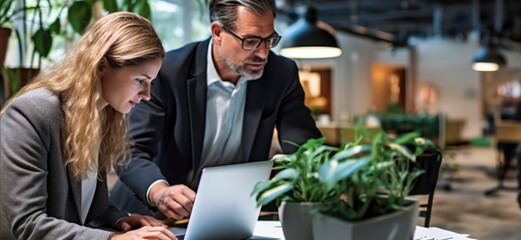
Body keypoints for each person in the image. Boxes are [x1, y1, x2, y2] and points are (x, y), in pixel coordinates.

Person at [110, 0, 322, 219]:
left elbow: (304, 149)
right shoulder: (168, 72)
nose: (263, 53)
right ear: (217, 32)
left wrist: (330, 182)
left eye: (270, 40)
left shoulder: (281, 74)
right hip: (149, 215)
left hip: (229, 213)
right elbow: (130, 151)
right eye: (250, 41)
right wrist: (159, 191)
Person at [0, 12, 177, 240]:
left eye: (150, 83)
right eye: (140, 81)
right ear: (102, 64)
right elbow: (28, 224)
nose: (147, 95)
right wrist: (112, 239)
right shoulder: (31, 113)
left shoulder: (102, 115)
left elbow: (89, 207)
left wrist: (120, 219)